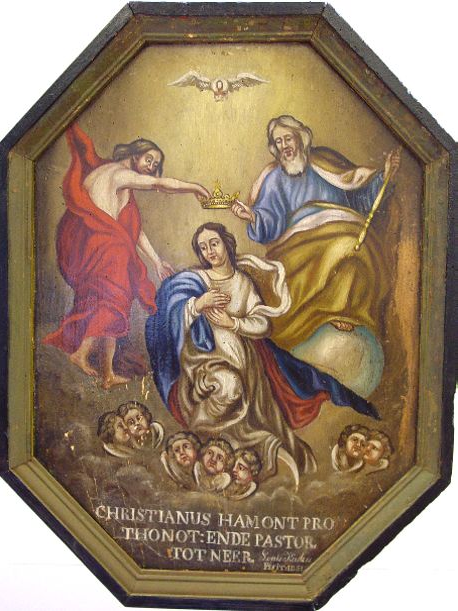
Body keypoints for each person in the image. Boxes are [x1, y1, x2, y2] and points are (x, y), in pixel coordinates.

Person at [146, 222, 380, 488]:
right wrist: (199, 303)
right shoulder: (195, 280)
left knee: (245, 400)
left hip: (241, 362)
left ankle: (241, 448)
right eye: (203, 247)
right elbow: (168, 314)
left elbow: (262, 323)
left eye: (214, 243)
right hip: (202, 364)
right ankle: (206, 433)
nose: (209, 251)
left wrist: (233, 323)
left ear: (226, 244)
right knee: (228, 388)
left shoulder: (242, 283)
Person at [43, 124, 210, 389]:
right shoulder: (119, 174)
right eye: (149, 159)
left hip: (101, 245)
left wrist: (156, 261)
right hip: (106, 246)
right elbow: (158, 183)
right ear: (135, 154)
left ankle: (107, 373)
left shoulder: (115, 178)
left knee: (115, 301)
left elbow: (133, 230)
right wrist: (195, 187)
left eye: (155, 164)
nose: (151, 167)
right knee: (112, 301)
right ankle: (81, 353)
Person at [230, 114, 400, 362]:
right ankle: (320, 319)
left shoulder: (327, 162)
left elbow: (360, 199)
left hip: (345, 229)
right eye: (278, 142)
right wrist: (253, 217)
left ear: (300, 139)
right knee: (342, 246)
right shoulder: (275, 179)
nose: (284, 146)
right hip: (297, 247)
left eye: (288, 138)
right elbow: (270, 223)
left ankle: (345, 311)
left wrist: (385, 177)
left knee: (351, 247)